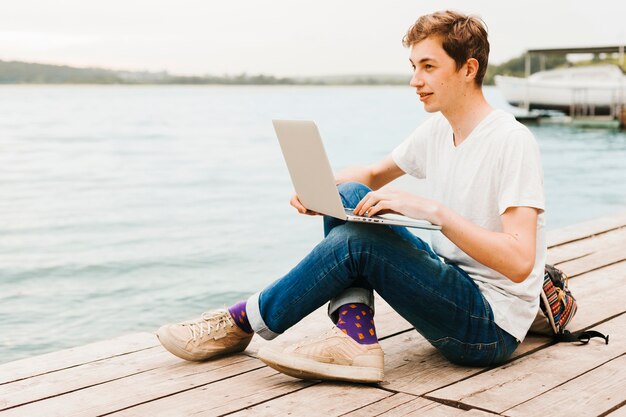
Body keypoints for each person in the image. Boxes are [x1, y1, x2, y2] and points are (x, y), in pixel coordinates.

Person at [156, 10, 546, 384]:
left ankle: (242, 320)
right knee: (349, 195)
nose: (415, 80)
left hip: (489, 327)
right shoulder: (438, 131)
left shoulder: (511, 141)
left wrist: (433, 211)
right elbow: (373, 175)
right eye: (413, 67)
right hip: (453, 288)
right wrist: (318, 189)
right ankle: (354, 335)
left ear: (468, 69)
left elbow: (518, 261)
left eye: (428, 66)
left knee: (360, 244)